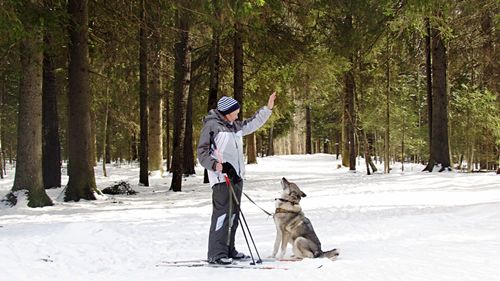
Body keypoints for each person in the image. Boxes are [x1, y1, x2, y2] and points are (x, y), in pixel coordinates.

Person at [197, 92, 276, 264]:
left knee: (233, 215)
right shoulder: (212, 126)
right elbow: (202, 152)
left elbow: (253, 123)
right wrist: (215, 165)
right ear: (227, 112)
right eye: (235, 112)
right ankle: (216, 254)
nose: (238, 115)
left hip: (237, 177)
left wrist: (268, 108)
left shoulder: (234, 126)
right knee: (222, 216)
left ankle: (229, 249)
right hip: (221, 178)